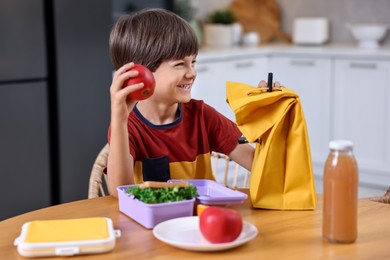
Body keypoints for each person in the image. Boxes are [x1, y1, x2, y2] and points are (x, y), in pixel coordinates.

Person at [107, 8, 278, 197]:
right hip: (151, 225)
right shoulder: (127, 126)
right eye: (180, 64)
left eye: (193, 62)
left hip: (200, 222)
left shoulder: (202, 116)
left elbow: (260, 164)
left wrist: (268, 122)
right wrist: (119, 121)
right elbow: (118, 191)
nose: (192, 73)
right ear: (140, 72)